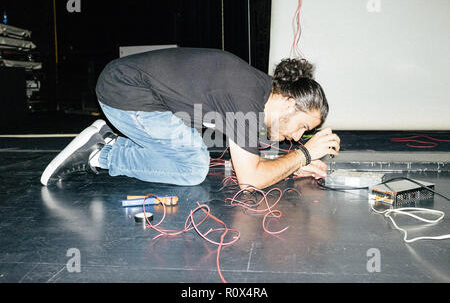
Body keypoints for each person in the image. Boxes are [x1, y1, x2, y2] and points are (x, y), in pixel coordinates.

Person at [40, 47, 340, 188]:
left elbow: (251, 161)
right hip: (125, 92)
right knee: (194, 165)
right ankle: (104, 153)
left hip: (133, 90)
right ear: (289, 103)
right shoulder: (245, 98)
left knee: (192, 149)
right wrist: (302, 156)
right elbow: (250, 180)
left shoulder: (255, 92)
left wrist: (288, 166)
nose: (299, 137)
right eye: (303, 127)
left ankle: (109, 143)